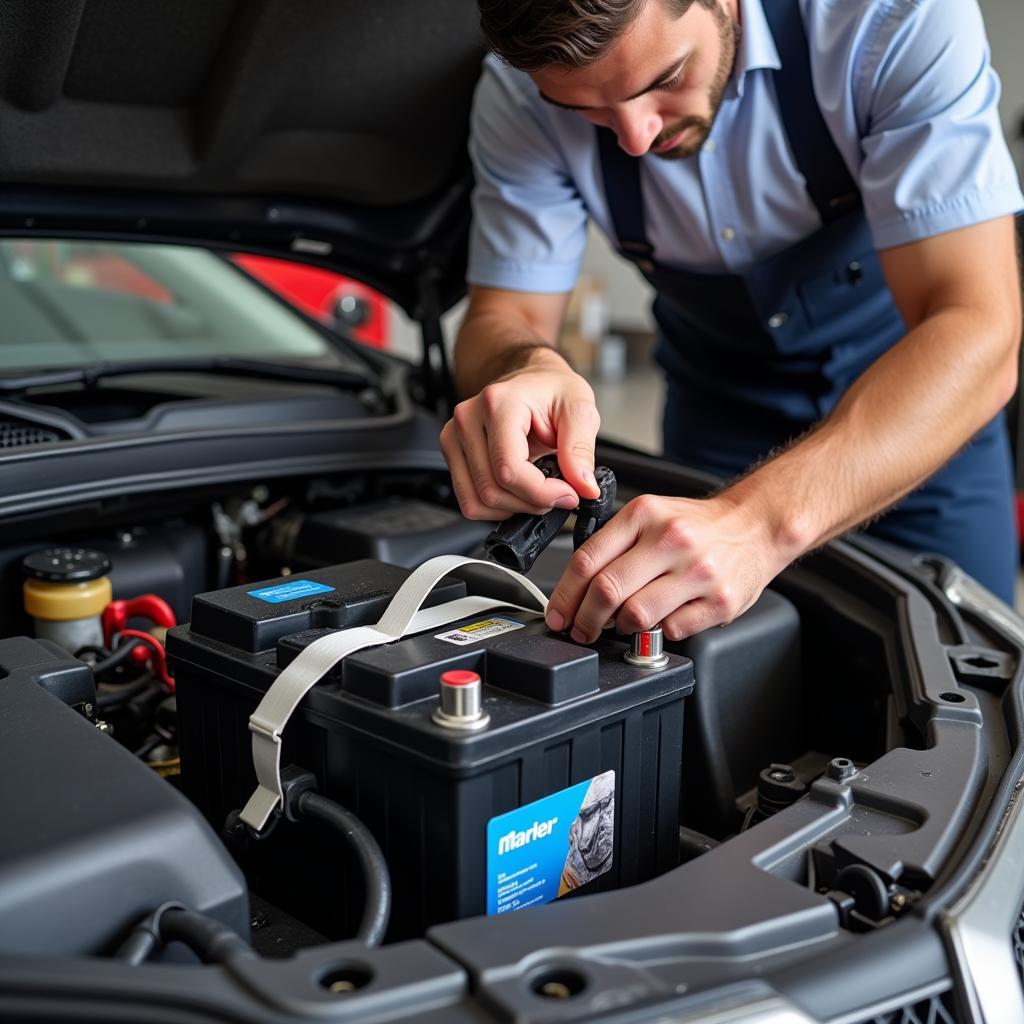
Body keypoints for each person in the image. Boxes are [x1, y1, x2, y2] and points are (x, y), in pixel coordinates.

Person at [440, 0, 1024, 644]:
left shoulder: (891, 20)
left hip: (918, 420)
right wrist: (529, 365)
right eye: (587, 113)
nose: (635, 137)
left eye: (665, 79)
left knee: (971, 681)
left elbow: (977, 326)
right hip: (716, 422)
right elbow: (504, 313)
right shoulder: (516, 97)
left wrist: (758, 523)